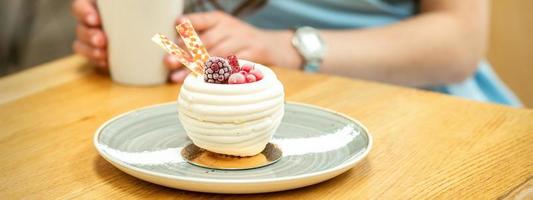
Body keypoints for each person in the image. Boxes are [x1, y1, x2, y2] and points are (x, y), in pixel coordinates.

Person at [71, 0, 522, 107]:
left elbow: (459, 42)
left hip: (408, 98)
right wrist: (118, 28)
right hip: (209, 98)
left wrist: (280, 47)